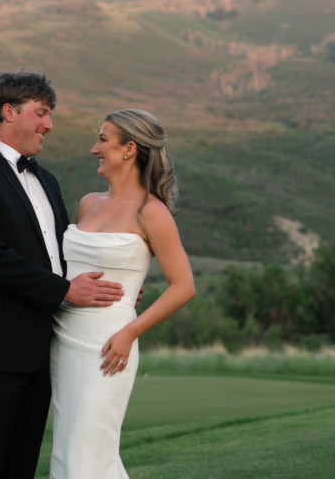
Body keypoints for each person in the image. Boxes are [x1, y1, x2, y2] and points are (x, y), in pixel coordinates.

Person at [0, 71, 129, 478]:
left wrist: (115, 288)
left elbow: (65, 255)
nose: (49, 124)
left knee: (20, 469)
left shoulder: (46, 179)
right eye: (41, 113)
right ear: (8, 112)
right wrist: (65, 290)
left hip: (41, 352)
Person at [50, 109, 196, 478]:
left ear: (129, 149)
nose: (93, 148)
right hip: (63, 338)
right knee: (68, 452)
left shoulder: (152, 211)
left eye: (102, 139)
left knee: (89, 452)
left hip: (109, 343)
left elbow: (183, 287)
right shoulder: (88, 203)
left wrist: (129, 332)